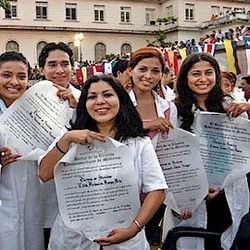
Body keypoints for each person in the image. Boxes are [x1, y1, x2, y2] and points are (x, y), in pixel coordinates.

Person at [39, 74, 167, 249]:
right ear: (84, 103)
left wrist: (133, 229)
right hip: (73, 240)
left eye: (107, 95)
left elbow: (157, 190)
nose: (100, 101)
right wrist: (67, 139)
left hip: (125, 238)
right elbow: (44, 174)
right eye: (92, 97)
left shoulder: (138, 142)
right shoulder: (69, 136)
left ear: (120, 100)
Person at [168, 52, 249, 250]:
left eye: (209, 73)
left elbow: (241, 149)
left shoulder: (228, 106)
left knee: (227, 242)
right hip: (194, 197)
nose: (203, 79)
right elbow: (169, 159)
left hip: (227, 194)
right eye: (196, 74)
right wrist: (192, 192)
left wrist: (248, 108)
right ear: (185, 77)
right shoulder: (174, 111)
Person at [124, 47, 179, 245]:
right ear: (130, 70)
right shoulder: (117, 101)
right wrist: (146, 125)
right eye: (142, 69)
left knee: (143, 238)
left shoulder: (167, 107)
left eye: (155, 71)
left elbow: (172, 150)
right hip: (123, 187)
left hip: (155, 191)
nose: (148, 76)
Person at [38, 41, 81, 248]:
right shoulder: (28, 101)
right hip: (42, 193)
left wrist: (76, 107)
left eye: (65, 64)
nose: (59, 70)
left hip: (78, 193)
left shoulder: (86, 100)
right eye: (52, 64)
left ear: (73, 67)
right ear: (41, 69)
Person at [0, 51, 44, 250]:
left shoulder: (40, 110)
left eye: (21, 76)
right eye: (6, 75)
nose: (14, 82)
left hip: (33, 199)